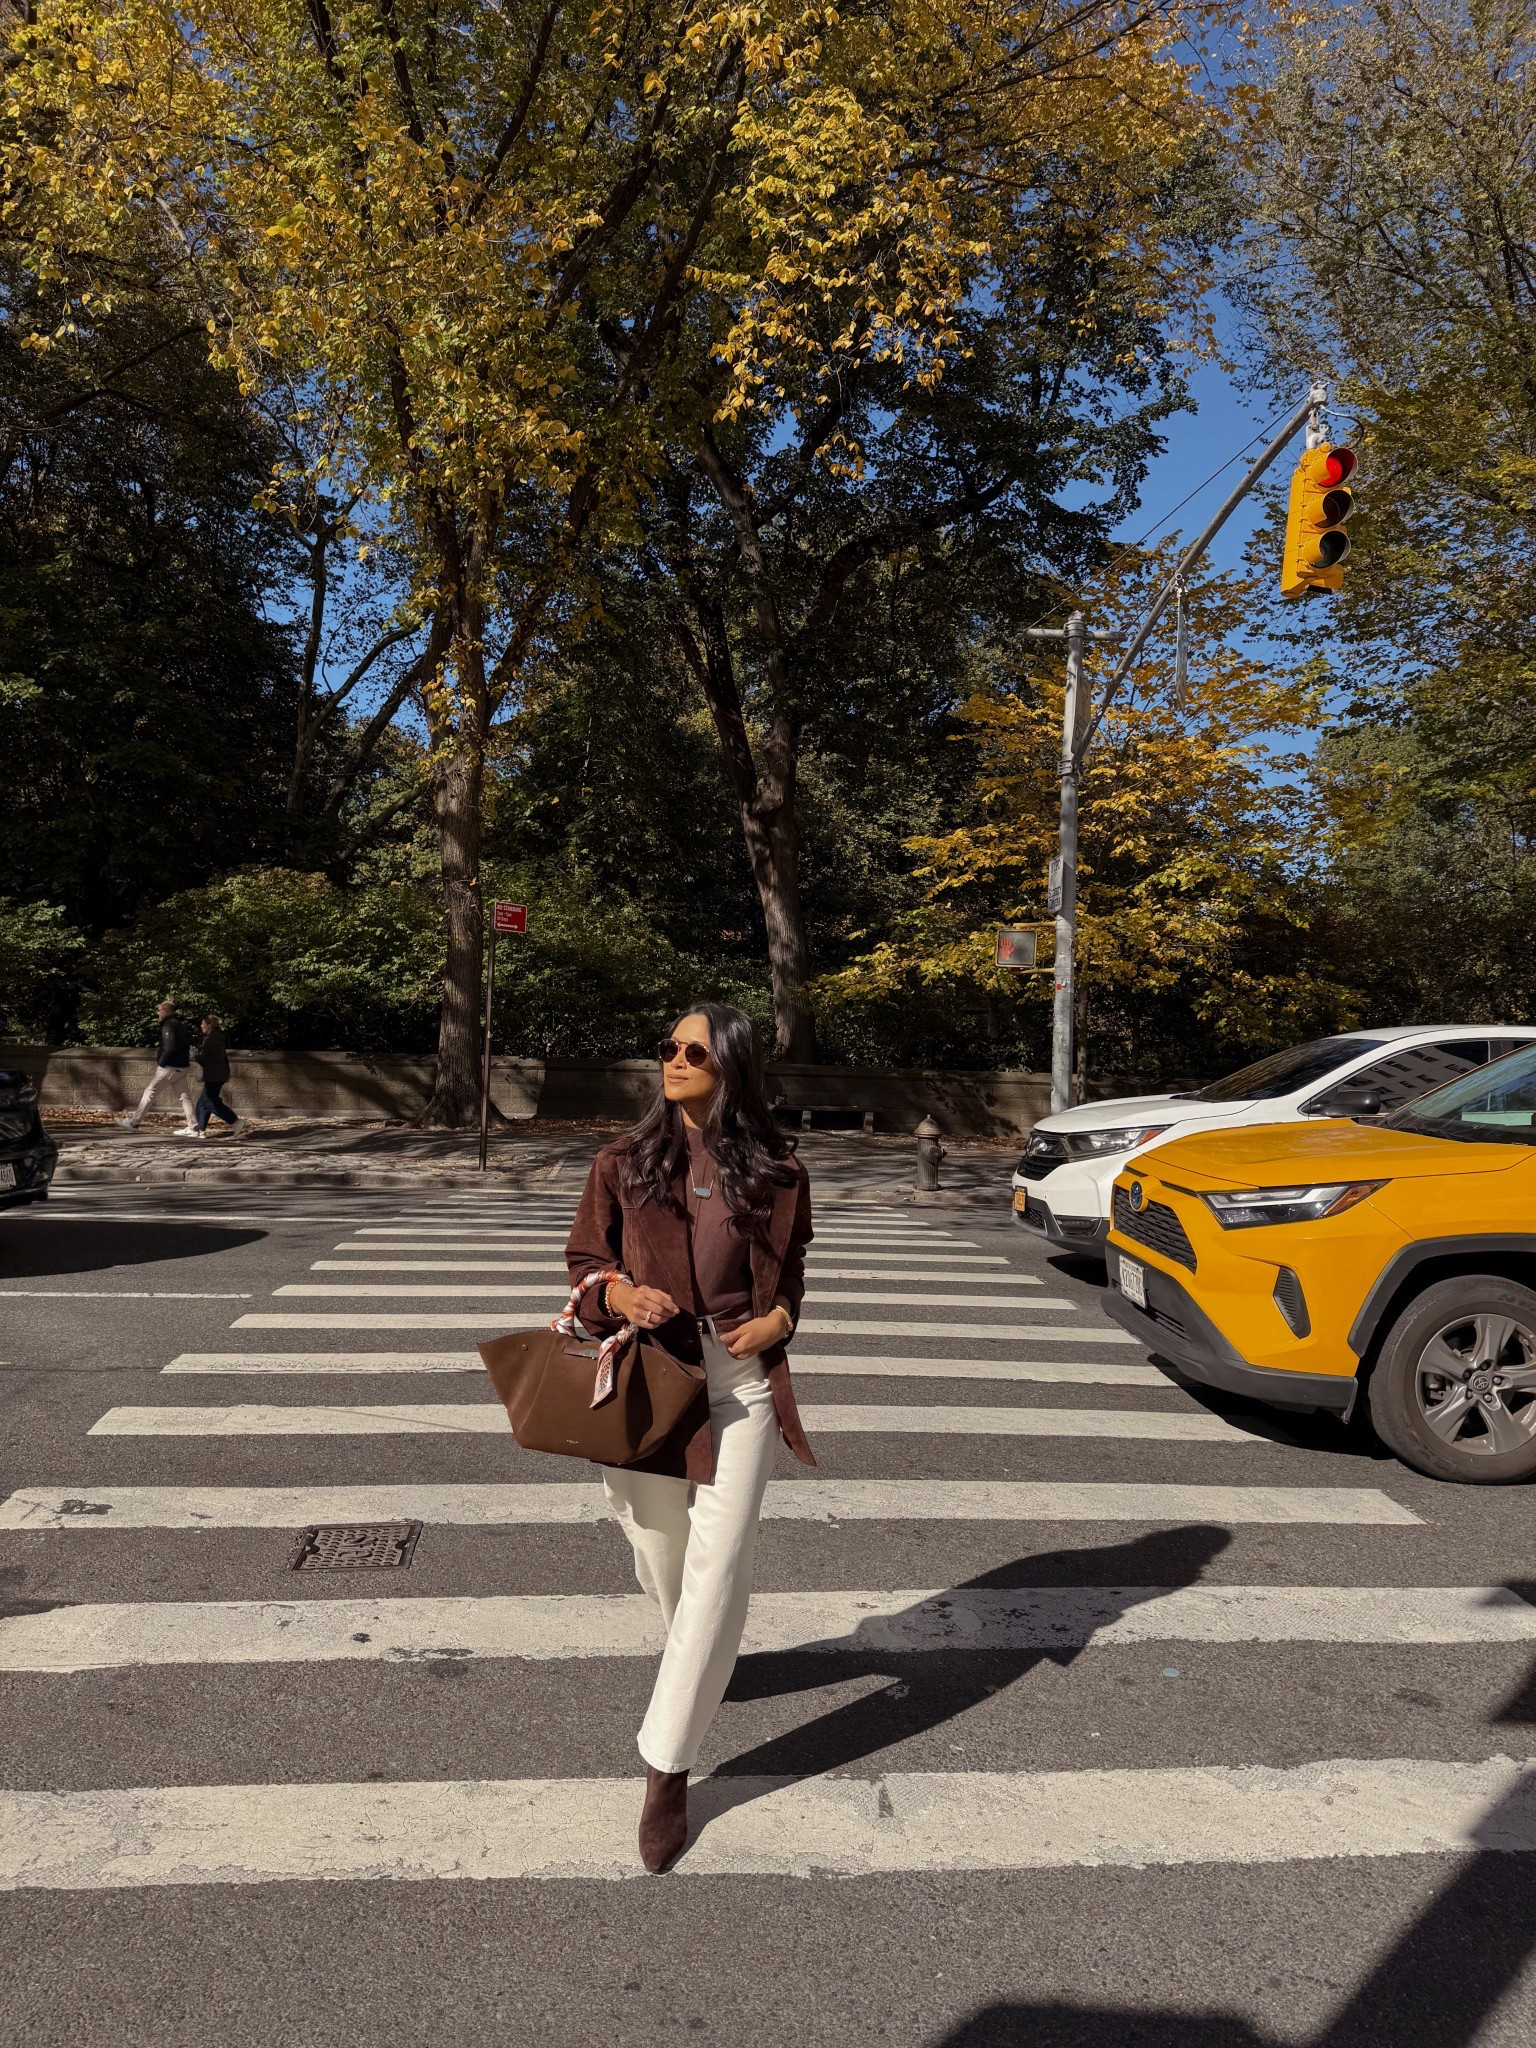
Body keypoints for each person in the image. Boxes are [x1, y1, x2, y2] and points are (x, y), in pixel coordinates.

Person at [564, 1001, 815, 1873]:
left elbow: (797, 1271)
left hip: (740, 1390)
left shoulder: (779, 1171)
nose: (672, 1059)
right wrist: (618, 1296)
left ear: (731, 1066)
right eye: (666, 1045)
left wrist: (779, 1316)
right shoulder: (622, 1163)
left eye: (693, 1051)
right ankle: (703, 1664)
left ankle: (666, 1766)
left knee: (717, 1563)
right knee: (657, 1546)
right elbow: (583, 1268)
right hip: (652, 1383)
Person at [118, 1000, 199, 1136]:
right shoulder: (180, 1025)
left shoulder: (168, 1025)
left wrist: (162, 1062)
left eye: (159, 1010)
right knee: (184, 1097)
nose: (157, 1013)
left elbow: (169, 1046)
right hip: (181, 1066)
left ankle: (134, 1122)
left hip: (169, 1067)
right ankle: (193, 1126)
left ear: (166, 1010)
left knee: (150, 1092)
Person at [194, 1014, 240, 1137]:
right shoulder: (219, 1037)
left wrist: (194, 1055)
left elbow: (203, 1059)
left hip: (213, 1075)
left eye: (203, 1023)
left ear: (209, 1025)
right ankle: (200, 1129)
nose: (201, 1025)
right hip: (220, 1074)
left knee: (209, 1102)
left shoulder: (209, 1040)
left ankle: (235, 1121)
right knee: (203, 1102)